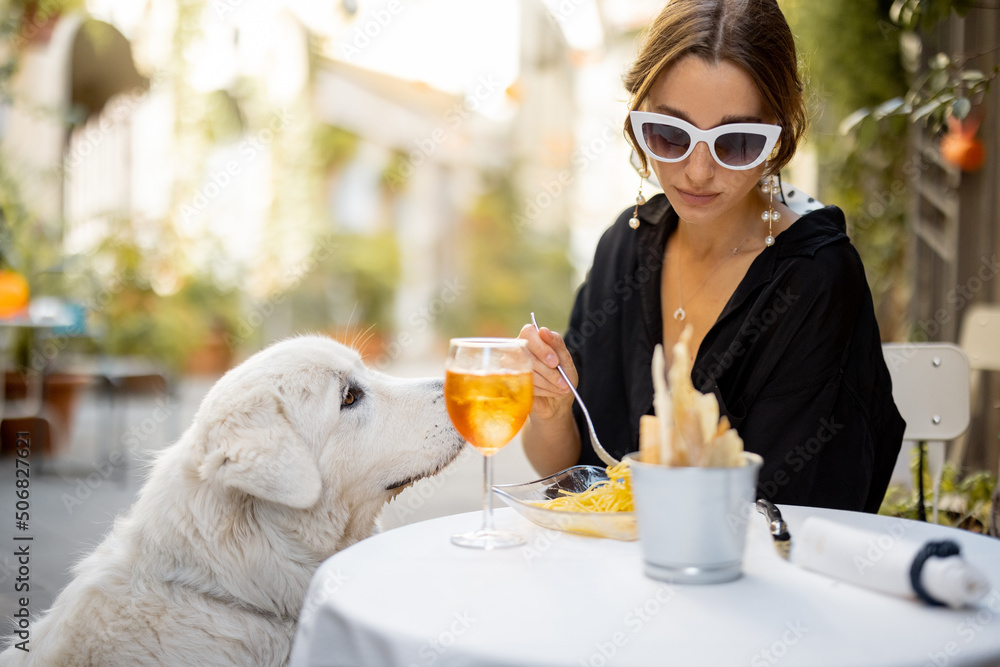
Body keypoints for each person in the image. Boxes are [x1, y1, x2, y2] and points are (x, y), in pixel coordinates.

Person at [518, 0, 905, 512]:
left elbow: (796, 512)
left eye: (737, 141)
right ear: (639, 121)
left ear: (779, 136)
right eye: (671, 135)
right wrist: (551, 409)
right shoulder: (625, 247)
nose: (698, 172)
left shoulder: (815, 280)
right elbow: (565, 474)